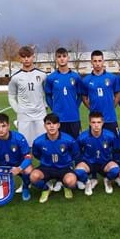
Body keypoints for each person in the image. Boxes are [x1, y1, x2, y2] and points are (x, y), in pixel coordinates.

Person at [44, 47, 83, 191]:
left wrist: (75, 106)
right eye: (59, 56)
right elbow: (48, 95)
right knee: (59, 148)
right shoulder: (51, 78)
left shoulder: (76, 77)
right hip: (58, 119)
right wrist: (54, 108)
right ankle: (60, 178)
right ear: (56, 58)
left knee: (75, 147)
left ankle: (77, 176)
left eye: (64, 56)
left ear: (68, 58)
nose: (62, 59)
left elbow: (80, 95)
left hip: (73, 118)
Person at [30, 113, 78, 203]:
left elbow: (75, 153)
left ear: (58, 125)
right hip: (46, 168)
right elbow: (36, 154)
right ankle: (46, 188)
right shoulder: (38, 141)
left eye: (54, 123)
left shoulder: (68, 139)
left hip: (64, 168)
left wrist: (66, 161)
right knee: (33, 177)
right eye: (48, 124)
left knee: (71, 182)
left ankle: (65, 186)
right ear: (44, 126)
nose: (51, 126)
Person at [75, 111, 120, 195]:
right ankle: (87, 182)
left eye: (99, 122)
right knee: (78, 171)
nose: (96, 125)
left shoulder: (110, 135)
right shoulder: (83, 137)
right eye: (93, 122)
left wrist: (116, 162)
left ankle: (107, 180)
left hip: (104, 163)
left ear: (103, 123)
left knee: (116, 170)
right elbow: (77, 152)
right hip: (89, 163)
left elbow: (116, 150)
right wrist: (80, 162)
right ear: (90, 123)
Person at [8, 46, 47, 147]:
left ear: (33, 57)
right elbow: (11, 96)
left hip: (40, 115)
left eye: (28, 56)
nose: (26, 59)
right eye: (23, 57)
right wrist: (19, 110)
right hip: (24, 116)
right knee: (25, 146)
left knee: (43, 144)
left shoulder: (42, 75)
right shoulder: (15, 77)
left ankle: (43, 163)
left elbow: (48, 92)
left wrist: (45, 105)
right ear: (20, 58)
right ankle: (28, 163)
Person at [82, 50, 120, 136]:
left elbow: (117, 95)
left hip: (110, 118)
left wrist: (111, 106)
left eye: (99, 61)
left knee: (115, 146)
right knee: (95, 145)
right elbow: (84, 98)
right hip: (94, 120)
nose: (97, 63)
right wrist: (91, 107)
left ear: (103, 61)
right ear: (91, 62)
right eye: (95, 61)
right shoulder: (86, 80)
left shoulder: (112, 78)